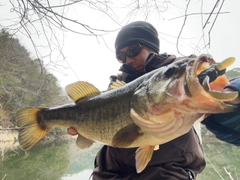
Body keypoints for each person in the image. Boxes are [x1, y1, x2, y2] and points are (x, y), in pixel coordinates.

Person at [68, 21, 240, 180]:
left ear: (152, 47)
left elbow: (223, 87)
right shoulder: (117, 84)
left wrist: (233, 92)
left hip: (168, 172)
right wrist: (84, 129)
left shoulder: (178, 70)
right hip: (108, 173)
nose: (128, 59)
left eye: (133, 50)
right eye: (121, 57)